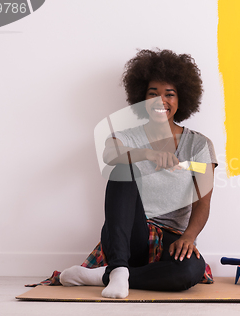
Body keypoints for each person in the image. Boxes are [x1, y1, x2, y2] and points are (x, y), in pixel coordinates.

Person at [59, 49, 217, 299]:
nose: (160, 101)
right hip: (129, 236)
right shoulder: (126, 137)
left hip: (171, 238)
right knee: (123, 166)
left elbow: (203, 201)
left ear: (182, 98)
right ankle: (119, 267)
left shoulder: (199, 145)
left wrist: (189, 237)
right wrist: (147, 154)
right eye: (152, 94)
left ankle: (104, 276)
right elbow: (110, 156)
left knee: (190, 271)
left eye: (169, 94)